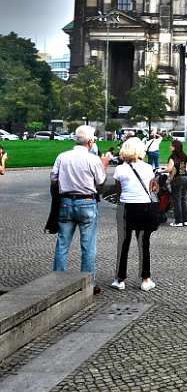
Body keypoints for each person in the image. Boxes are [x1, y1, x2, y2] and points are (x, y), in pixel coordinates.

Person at [50, 125, 111, 294]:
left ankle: (57, 281)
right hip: (87, 202)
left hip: (66, 202)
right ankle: (88, 282)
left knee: (62, 243)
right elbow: (100, 182)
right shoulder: (93, 160)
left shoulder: (62, 157)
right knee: (88, 245)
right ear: (90, 141)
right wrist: (104, 165)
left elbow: (53, 178)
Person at [111, 137, 159, 292]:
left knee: (123, 243)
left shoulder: (120, 169)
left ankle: (120, 279)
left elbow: (118, 191)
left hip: (126, 207)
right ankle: (146, 279)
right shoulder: (148, 168)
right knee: (144, 243)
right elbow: (152, 188)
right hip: (144, 206)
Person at [166, 139, 187, 227]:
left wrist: (161, 170)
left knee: (177, 200)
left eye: (171, 145)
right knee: (184, 199)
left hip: (177, 179)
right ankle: (185, 220)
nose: (170, 147)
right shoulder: (183, 156)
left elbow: (169, 169)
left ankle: (178, 221)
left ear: (174, 147)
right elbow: (181, 168)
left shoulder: (173, 157)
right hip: (185, 178)